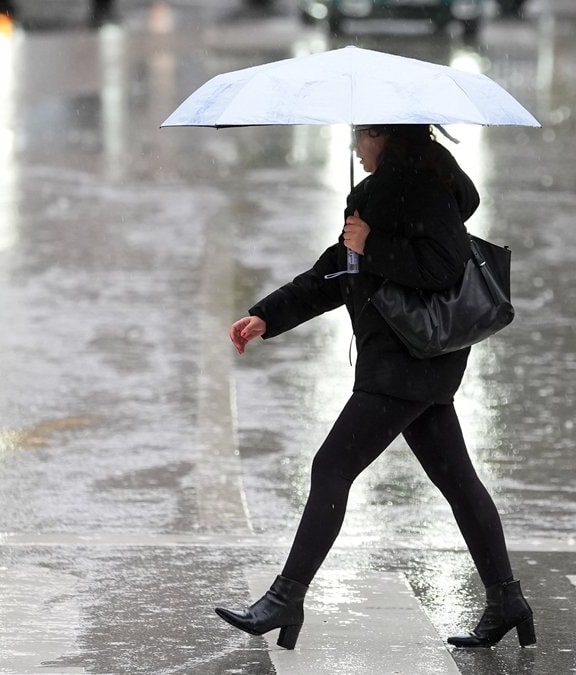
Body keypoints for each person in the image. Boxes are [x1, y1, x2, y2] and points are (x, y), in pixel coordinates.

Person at [215, 124, 535, 650]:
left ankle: (285, 597)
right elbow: (338, 269)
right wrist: (266, 317)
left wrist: (373, 243)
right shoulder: (394, 187)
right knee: (456, 480)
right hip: (417, 360)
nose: (355, 147)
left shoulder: (416, 185)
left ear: (386, 137)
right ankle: (506, 599)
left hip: (404, 362)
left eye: (362, 136)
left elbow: (442, 266)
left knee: (332, 466)